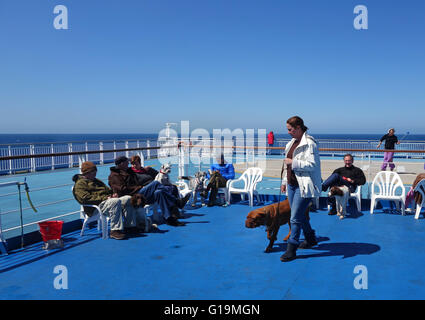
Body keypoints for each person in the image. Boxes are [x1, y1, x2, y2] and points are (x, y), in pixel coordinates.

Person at [280, 116, 322, 262]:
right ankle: (310, 238)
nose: (288, 132)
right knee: (298, 214)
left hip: (303, 186)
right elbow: (287, 166)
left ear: (298, 128)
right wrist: (285, 180)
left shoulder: (310, 144)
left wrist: (294, 162)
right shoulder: (291, 143)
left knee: (295, 218)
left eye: (290, 129)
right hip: (292, 185)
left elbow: (312, 165)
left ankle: (291, 249)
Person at [108, 156, 189, 226]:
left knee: (159, 192)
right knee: (156, 183)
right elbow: (123, 189)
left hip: (140, 193)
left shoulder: (126, 170)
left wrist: (145, 168)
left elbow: (137, 168)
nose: (128, 164)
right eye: (126, 162)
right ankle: (177, 202)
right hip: (133, 196)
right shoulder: (114, 176)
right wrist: (139, 187)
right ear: (121, 164)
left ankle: (168, 219)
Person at [72, 161, 144, 240]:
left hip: (107, 201)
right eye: (93, 172)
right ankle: (115, 231)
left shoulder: (96, 181)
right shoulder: (80, 184)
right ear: (86, 173)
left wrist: (113, 194)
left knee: (128, 198)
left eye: (95, 172)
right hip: (95, 207)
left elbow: (108, 190)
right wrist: (105, 198)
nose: (95, 174)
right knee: (114, 201)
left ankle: (129, 226)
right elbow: (84, 199)